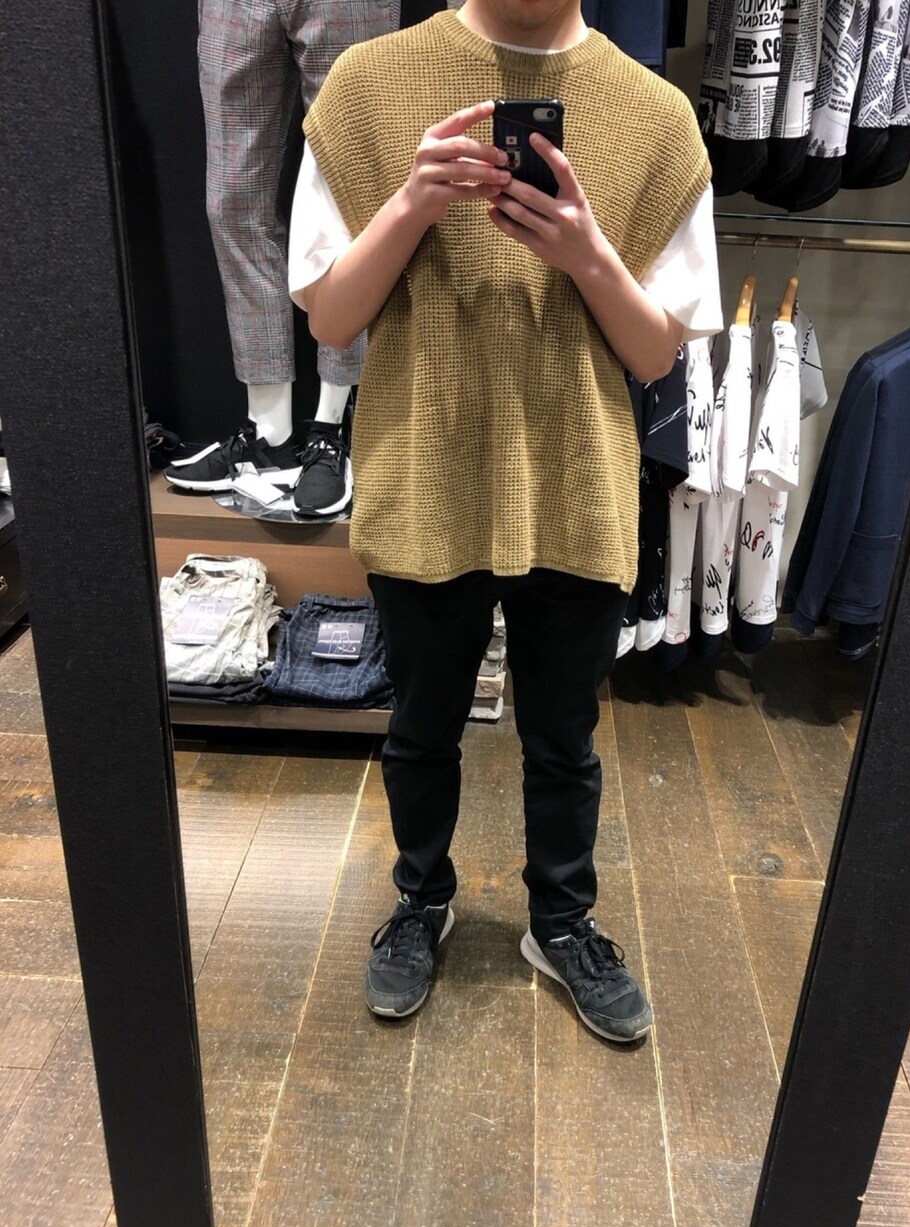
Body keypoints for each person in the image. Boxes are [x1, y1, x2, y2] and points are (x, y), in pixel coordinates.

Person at [290, 0, 722, 1042]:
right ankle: (421, 900)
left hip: (575, 473)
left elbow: (655, 352)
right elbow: (331, 318)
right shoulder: (365, 88)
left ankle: (561, 922)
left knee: (564, 736)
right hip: (423, 461)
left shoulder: (657, 119)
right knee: (421, 723)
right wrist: (410, 204)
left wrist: (586, 251)